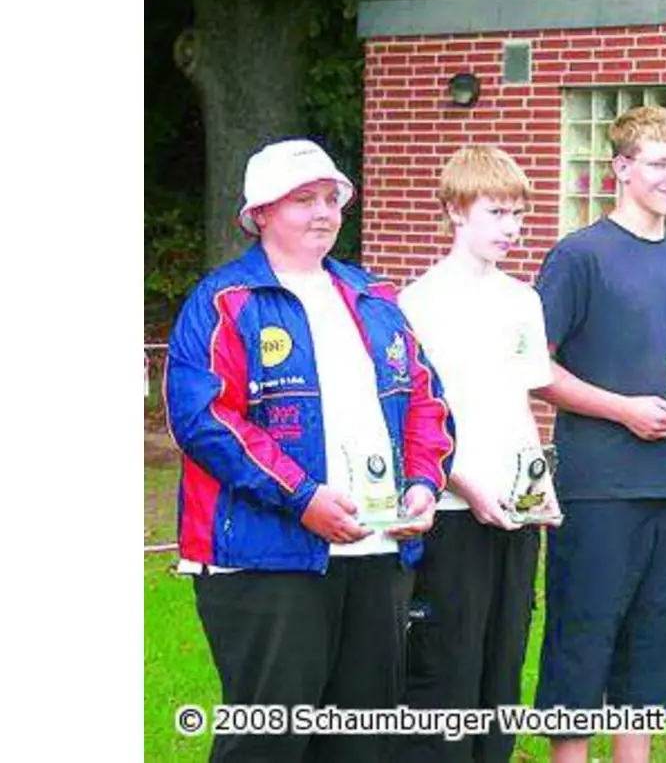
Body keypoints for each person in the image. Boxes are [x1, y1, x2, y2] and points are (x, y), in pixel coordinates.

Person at [164, 138, 454, 763]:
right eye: (303, 200)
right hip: (266, 560)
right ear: (260, 213)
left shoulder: (376, 297)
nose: (323, 212)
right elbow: (205, 419)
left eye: (332, 199)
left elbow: (427, 402)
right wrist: (302, 498)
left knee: (361, 742)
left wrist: (425, 484)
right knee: (268, 742)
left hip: (376, 549)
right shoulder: (223, 302)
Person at [532, 104, 666, 763]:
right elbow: (535, 368)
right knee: (584, 640)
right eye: (660, 164)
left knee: (657, 643)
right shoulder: (579, 257)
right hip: (599, 487)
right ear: (621, 168)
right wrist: (622, 410)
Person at [397, 145, 561, 763]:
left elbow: (519, 404)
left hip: (514, 516)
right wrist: (464, 485)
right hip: (451, 511)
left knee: (502, 665)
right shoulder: (417, 303)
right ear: (455, 212)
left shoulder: (523, 301)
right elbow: (415, 415)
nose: (511, 228)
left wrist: (536, 483)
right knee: (446, 668)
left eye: (518, 214)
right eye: (496, 212)